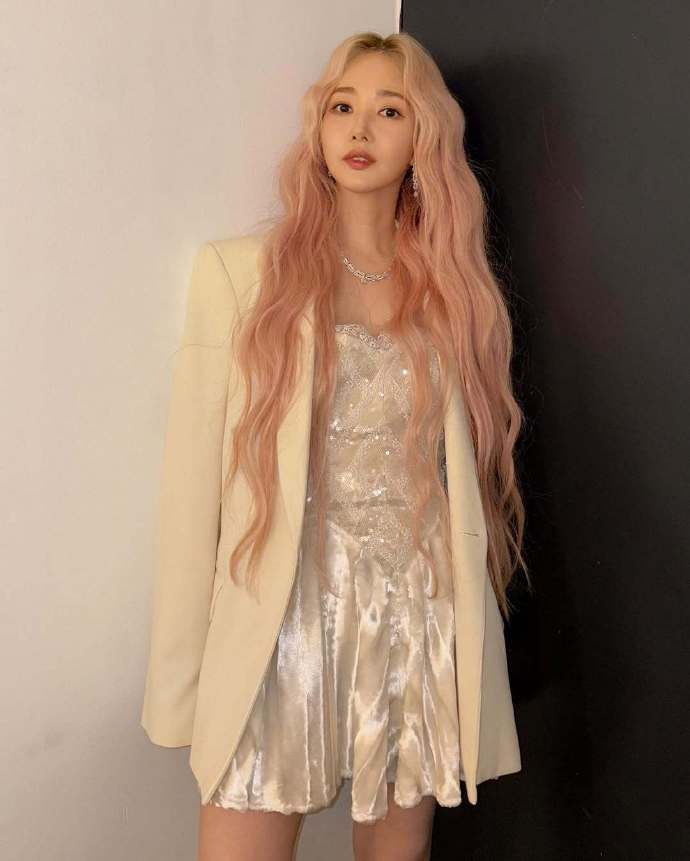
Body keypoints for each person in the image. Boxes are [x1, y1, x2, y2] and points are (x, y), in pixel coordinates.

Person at [141, 30, 529, 861]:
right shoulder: (241, 276)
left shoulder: (452, 294)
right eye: (342, 107)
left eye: (389, 111)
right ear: (317, 126)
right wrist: (179, 688)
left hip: (413, 612)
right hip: (280, 615)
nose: (359, 128)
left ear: (423, 137)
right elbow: (190, 495)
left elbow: (458, 490)